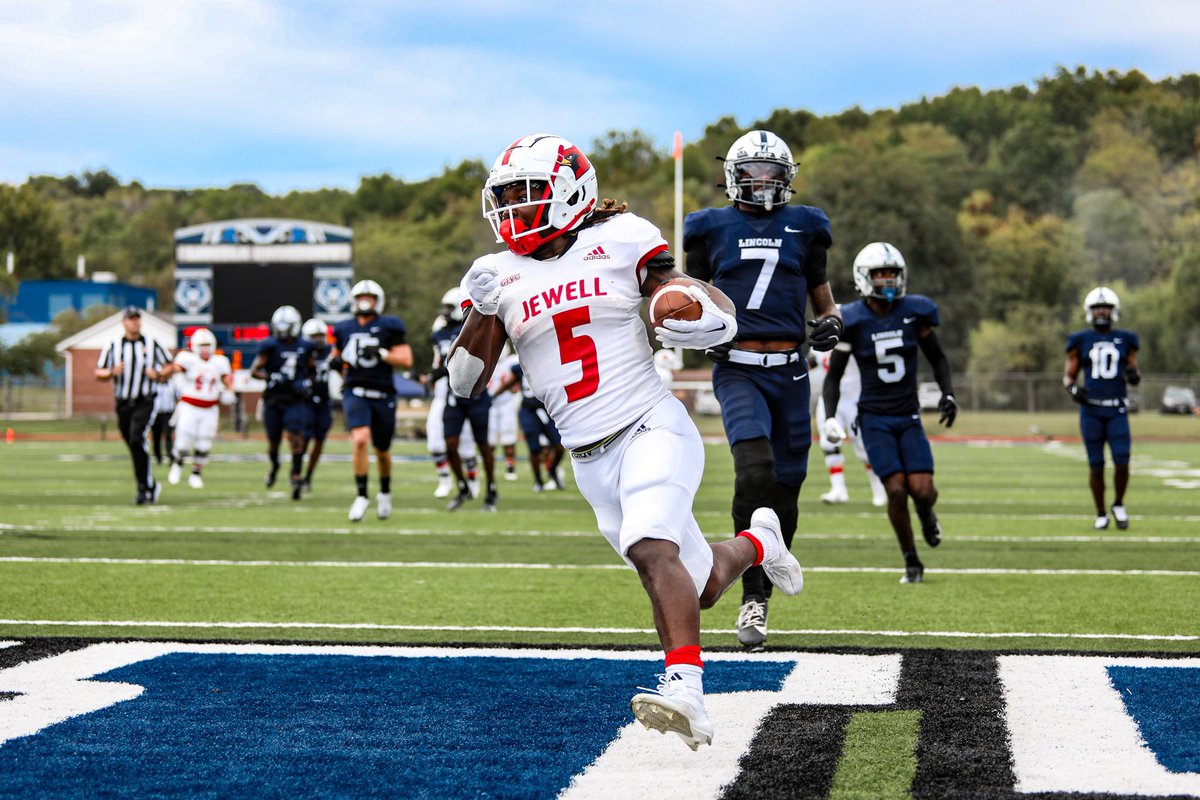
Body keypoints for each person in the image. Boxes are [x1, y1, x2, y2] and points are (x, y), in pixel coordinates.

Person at [447, 133, 803, 751]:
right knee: (702, 585)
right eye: (503, 197)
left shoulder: (620, 238)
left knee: (649, 546)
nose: (512, 208)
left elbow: (686, 294)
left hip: (649, 425)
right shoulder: (498, 274)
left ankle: (685, 687)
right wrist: (479, 311)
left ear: (569, 191)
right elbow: (465, 385)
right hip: (589, 460)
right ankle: (758, 541)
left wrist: (693, 311)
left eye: (525, 194)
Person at [682, 129, 842, 651]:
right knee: (754, 470)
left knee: (787, 486)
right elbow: (693, 294)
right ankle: (750, 592)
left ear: (788, 178)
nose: (764, 182)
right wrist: (699, 329)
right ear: (734, 175)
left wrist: (831, 322)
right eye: (753, 172)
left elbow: (823, 295)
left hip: (792, 371)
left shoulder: (807, 225)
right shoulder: (709, 227)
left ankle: (764, 592)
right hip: (739, 367)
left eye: (774, 173)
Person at [822, 242, 958, 584]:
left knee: (923, 490)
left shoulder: (915, 311)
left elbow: (938, 358)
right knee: (896, 490)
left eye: (892, 273)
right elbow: (833, 377)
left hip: (908, 416)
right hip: (873, 418)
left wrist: (949, 393)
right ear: (864, 277)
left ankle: (927, 515)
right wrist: (829, 416)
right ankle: (911, 560)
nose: (887, 280)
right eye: (880, 273)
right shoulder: (851, 319)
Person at [331, 279, 413, 522]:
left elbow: (406, 359)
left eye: (370, 297)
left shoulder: (390, 325)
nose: (365, 301)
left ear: (379, 301)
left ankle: (385, 493)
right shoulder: (343, 328)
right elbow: (337, 358)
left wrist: (381, 353)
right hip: (355, 390)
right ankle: (362, 495)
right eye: (360, 297)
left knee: (382, 450)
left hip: (383, 393)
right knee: (360, 439)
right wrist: (336, 364)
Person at [1063, 286, 1140, 531]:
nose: (1101, 313)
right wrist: (1073, 389)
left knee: (1122, 461)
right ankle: (1100, 512)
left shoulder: (1126, 339)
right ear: (1090, 312)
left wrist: (1134, 376)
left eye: (1105, 308)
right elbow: (1068, 376)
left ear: (1113, 310)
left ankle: (1118, 503)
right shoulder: (1080, 339)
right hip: (1091, 411)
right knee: (1096, 465)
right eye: (1097, 309)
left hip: (1116, 409)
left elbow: (1134, 372)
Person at [94, 306, 171, 504]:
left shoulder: (152, 343)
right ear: (124, 322)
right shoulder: (113, 345)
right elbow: (99, 372)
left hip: (145, 401)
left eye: (137, 319)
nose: (135, 322)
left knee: (137, 440)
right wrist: (112, 372)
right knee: (134, 444)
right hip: (123, 403)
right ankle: (150, 484)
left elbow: (171, 365)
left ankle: (143, 488)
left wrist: (160, 374)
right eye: (131, 319)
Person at [250, 305, 314, 500]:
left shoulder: (305, 346)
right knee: (273, 443)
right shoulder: (269, 346)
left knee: (297, 438)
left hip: (295, 400)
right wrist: (271, 376)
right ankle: (275, 465)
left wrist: (306, 382)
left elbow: (312, 371)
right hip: (273, 400)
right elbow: (254, 370)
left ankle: (296, 475)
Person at [812, 349, 888, 507]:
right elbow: (810, 363)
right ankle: (838, 489)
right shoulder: (818, 342)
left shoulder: (851, 334)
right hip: (830, 398)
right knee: (828, 443)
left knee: (863, 447)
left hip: (855, 398)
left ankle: (879, 489)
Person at [425, 288, 480, 499]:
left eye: (449, 307)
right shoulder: (440, 332)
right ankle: (445, 480)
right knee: (436, 442)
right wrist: (430, 377)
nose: (445, 312)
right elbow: (438, 362)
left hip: (463, 393)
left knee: (465, 445)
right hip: (442, 394)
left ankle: (472, 480)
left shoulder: (469, 330)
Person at [163, 327, 234, 489]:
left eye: (207, 345)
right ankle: (178, 464)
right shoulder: (187, 359)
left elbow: (227, 380)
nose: (205, 349)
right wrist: (172, 373)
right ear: (194, 346)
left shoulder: (220, 361)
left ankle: (196, 473)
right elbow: (176, 369)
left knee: (204, 443)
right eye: (201, 345)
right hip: (189, 406)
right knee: (183, 442)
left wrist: (229, 391)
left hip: (209, 408)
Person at [493, 357, 567, 492]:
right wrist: (493, 396)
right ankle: (538, 480)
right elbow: (509, 383)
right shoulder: (520, 366)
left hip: (545, 410)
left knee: (560, 446)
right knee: (534, 449)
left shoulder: (548, 364)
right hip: (528, 411)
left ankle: (552, 470)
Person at [299, 317, 334, 492]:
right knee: (304, 438)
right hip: (306, 402)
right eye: (314, 336)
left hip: (324, 402)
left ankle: (308, 476)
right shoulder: (301, 354)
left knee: (320, 440)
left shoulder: (330, 351)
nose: (318, 340)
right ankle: (297, 471)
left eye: (321, 336)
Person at [488, 345, 522, 483]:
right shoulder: (486, 360)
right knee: (489, 440)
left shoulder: (512, 361)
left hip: (506, 403)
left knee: (508, 438)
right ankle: (491, 466)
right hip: (490, 406)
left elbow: (518, 378)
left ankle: (510, 466)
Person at [150, 364, 180, 465]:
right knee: (156, 435)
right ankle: (158, 456)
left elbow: (177, 398)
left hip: (168, 413)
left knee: (168, 435)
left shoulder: (172, 383)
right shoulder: (153, 384)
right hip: (155, 413)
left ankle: (170, 455)